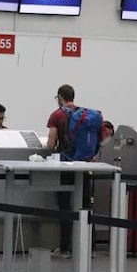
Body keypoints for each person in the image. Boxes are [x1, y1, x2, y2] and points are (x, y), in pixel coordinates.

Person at [46, 84, 82, 258]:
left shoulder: (57, 115)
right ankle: (89, 248)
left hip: (66, 165)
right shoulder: (85, 114)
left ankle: (65, 248)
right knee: (85, 205)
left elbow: (51, 144)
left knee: (65, 206)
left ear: (60, 97)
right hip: (85, 165)